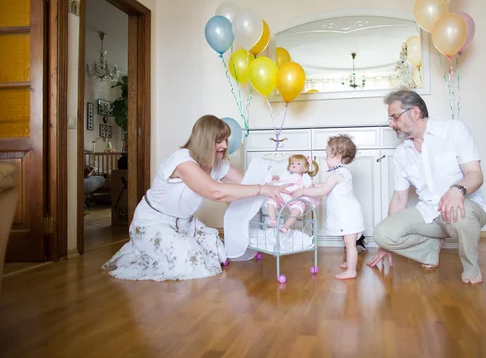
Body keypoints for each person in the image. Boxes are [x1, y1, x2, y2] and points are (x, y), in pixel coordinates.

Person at [102, 115, 291, 281]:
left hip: (184, 222)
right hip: (153, 222)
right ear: (205, 140)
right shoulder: (182, 161)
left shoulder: (217, 164)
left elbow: (245, 182)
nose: (225, 146)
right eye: (219, 140)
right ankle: (142, 247)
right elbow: (216, 192)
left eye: (225, 140)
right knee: (190, 258)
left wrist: (272, 184)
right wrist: (262, 188)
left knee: (218, 252)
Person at [367, 90, 486, 285]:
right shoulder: (401, 153)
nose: (391, 124)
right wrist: (385, 244)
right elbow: (399, 198)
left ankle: (471, 266)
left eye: (394, 117)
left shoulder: (454, 130)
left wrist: (456, 191)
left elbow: (476, 175)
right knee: (382, 234)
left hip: (465, 207)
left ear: (414, 112)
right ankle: (430, 248)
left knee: (460, 212)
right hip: (428, 212)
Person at [294, 135, 365, 280]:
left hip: (348, 215)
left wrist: (303, 191)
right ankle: (350, 263)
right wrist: (313, 186)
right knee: (347, 242)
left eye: (327, 155)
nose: (325, 158)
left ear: (338, 157)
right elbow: (326, 186)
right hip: (347, 214)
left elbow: (323, 191)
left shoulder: (337, 174)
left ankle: (352, 270)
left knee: (349, 244)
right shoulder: (340, 173)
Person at [266, 155, 319, 233]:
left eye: (298, 163)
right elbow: (279, 181)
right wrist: (274, 179)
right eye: (292, 163)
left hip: (295, 198)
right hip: (281, 196)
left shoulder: (305, 177)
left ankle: (286, 226)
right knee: (270, 202)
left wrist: (310, 188)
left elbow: (310, 188)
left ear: (305, 168)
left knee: (297, 210)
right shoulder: (285, 174)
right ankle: (273, 221)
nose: (294, 165)